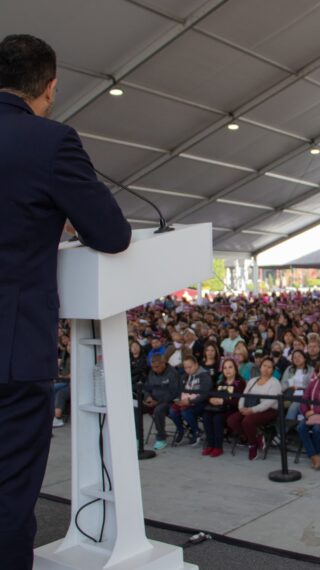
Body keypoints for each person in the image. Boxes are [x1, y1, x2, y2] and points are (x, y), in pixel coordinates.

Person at [0, 34, 131, 569]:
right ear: (49, 88)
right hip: (11, 350)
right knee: (8, 493)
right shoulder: (49, 142)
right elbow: (112, 233)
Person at [227, 357, 281, 460]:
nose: (266, 369)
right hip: (249, 408)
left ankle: (253, 445)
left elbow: (269, 403)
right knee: (232, 420)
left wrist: (252, 410)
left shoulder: (275, 383)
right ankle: (256, 437)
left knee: (247, 421)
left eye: (269, 367)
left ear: (273, 370)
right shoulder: (252, 381)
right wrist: (241, 408)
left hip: (269, 410)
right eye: (264, 366)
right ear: (260, 367)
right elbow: (244, 395)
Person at [201, 359, 246, 457]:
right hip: (220, 408)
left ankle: (218, 447)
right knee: (206, 416)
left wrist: (223, 401)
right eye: (225, 368)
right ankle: (210, 445)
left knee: (217, 418)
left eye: (230, 367)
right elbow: (212, 394)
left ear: (235, 369)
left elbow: (239, 401)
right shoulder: (221, 382)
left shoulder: (240, 383)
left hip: (233, 409)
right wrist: (211, 399)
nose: (227, 370)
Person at [169, 356, 213, 445]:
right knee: (172, 411)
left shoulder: (204, 376)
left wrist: (190, 401)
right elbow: (180, 391)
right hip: (186, 401)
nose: (188, 370)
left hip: (200, 403)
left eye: (190, 367)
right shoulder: (185, 376)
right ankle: (181, 431)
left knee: (185, 412)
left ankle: (196, 431)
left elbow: (204, 394)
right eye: (185, 368)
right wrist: (179, 400)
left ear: (196, 365)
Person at [143, 356, 182, 450]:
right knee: (137, 408)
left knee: (158, 410)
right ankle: (138, 436)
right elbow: (146, 387)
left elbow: (174, 393)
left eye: (157, 367)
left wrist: (158, 402)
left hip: (167, 402)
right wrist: (147, 397)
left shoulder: (172, 373)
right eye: (153, 367)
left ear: (163, 364)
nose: (155, 369)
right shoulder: (152, 372)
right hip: (153, 400)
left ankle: (161, 438)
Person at [281, 350, 314, 421]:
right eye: (294, 357)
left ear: (304, 358)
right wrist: (290, 387)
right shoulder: (289, 369)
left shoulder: (311, 370)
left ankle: (286, 427)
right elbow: (283, 383)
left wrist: (301, 388)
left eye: (299, 356)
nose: (297, 359)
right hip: (290, 393)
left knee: (295, 405)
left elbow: (313, 386)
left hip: (304, 395)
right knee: (281, 404)